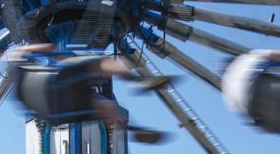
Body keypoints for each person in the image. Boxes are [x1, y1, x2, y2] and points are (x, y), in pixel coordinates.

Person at [9, 44, 170, 143]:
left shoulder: (17, 81)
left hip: (54, 115)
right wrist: (65, 60)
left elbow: (25, 108)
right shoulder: (21, 59)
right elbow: (49, 48)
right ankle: (135, 81)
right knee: (100, 64)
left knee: (103, 107)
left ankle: (129, 128)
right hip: (54, 84)